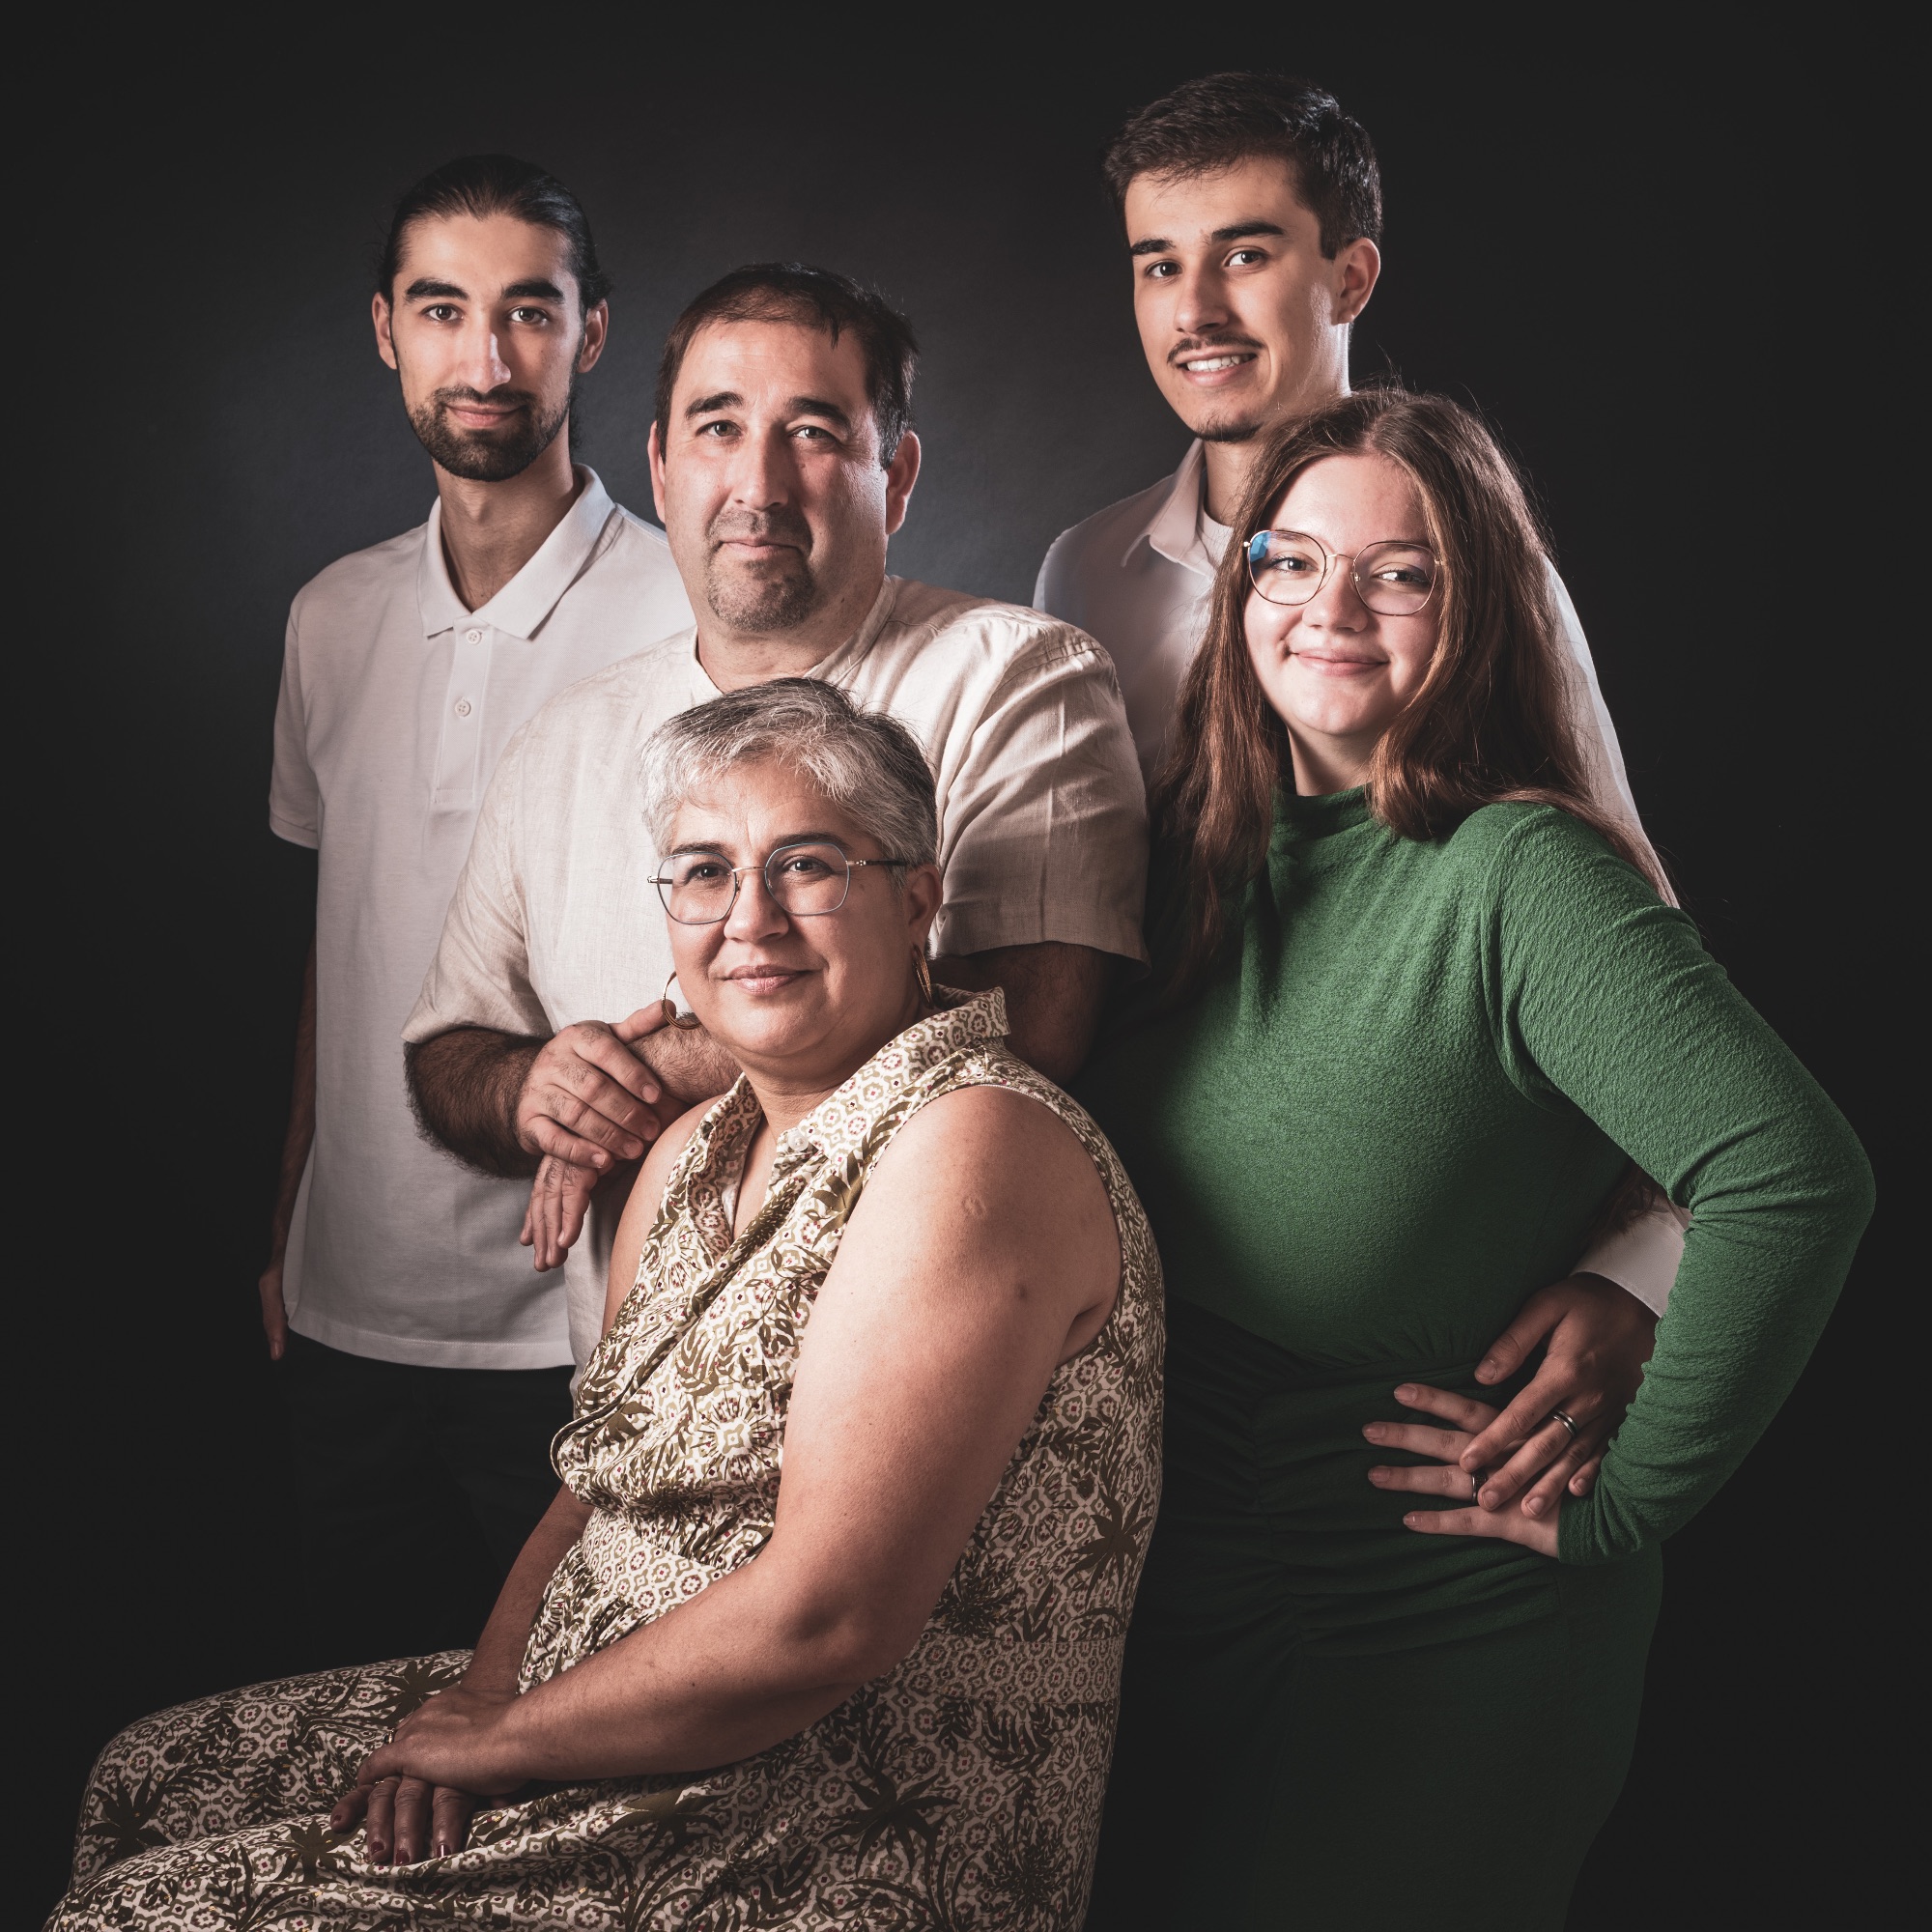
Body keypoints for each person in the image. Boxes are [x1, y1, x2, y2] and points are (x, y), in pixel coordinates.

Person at [54, 682, 1162, 1932]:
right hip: (593, 1704)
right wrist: (481, 1698)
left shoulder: (974, 1147)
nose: (751, 919)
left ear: (918, 898)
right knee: (146, 1776)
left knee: (143, 1917)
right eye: (703, 870)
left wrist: (507, 1746)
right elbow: (594, 1488)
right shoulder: (694, 1149)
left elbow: (826, 1623)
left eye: (807, 866)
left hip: (819, 1815)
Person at [1072, 387, 1873, 1928]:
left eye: (1404, 572)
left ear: (1481, 604)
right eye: (1290, 563)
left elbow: (1792, 1171)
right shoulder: (1195, 852)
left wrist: (1628, 1502)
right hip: (1184, 1594)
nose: (1332, 610)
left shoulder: (1522, 871)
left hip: (1434, 1624)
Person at [1039, 68, 1686, 1512]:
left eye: (1246, 254)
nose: (1196, 308)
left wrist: (1638, 1279)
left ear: (1350, 274)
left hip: (1414, 1362)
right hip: (1152, 1309)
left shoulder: (1482, 584)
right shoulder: (1082, 575)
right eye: (1161, 264)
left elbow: (1639, 927)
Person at [403, 264, 1147, 1366]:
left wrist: (637, 1083)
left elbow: (1033, 1021)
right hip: (633, 1392)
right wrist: (532, 1090)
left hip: (917, 1374)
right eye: (715, 426)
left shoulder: (1015, 674)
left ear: (892, 475)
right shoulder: (565, 736)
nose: (756, 482)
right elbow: (446, 1051)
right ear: (658, 468)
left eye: (810, 430)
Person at [262, 154, 693, 1654]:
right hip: (345, 1308)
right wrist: (291, 1221)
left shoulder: (688, 608)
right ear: (387, 329)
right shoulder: (331, 615)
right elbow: (346, 935)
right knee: (351, 1747)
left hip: (577, 1319)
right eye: (444, 309)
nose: (486, 356)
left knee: (541, 1769)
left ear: (591, 332)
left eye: (529, 310)